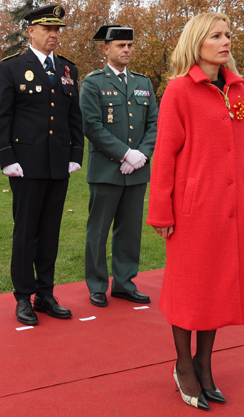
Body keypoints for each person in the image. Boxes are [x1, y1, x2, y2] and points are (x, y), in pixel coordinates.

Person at [147, 12, 244, 410]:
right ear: (197, 43)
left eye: (228, 34)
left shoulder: (237, 90)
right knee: (189, 289)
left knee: (217, 287)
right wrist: (161, 211)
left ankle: (204, 364)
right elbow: (164, 155)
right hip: (193, 210)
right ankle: (183, 365)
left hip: (231, 208)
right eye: (216, 35)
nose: (226, 41)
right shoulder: (179, 90)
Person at [0, 4, 84, 325]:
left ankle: (45, 293)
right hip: (26, 164)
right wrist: (7, 158)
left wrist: (76, 154)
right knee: (26, 231)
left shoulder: (69, 70)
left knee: (50, 231)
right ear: (31, 31)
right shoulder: (13, 67)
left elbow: (75, 116)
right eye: (47, 29)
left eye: (57, 30)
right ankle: (23, 297)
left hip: (58, 162)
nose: (54, 35)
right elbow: (2, 116)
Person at [80, 25, 158, 307]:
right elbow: (91, 125)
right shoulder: (93, 82)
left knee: (130, 231)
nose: (126, 50)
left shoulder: (143, 83)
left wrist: (142, 156)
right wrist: (125, 154)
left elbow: (154, 125)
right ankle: (98, 284)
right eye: (120, 45)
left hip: (137, 171)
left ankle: (125, 283)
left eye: (129, 45)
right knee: (98, 230)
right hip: (106, 170)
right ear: (106, 49)